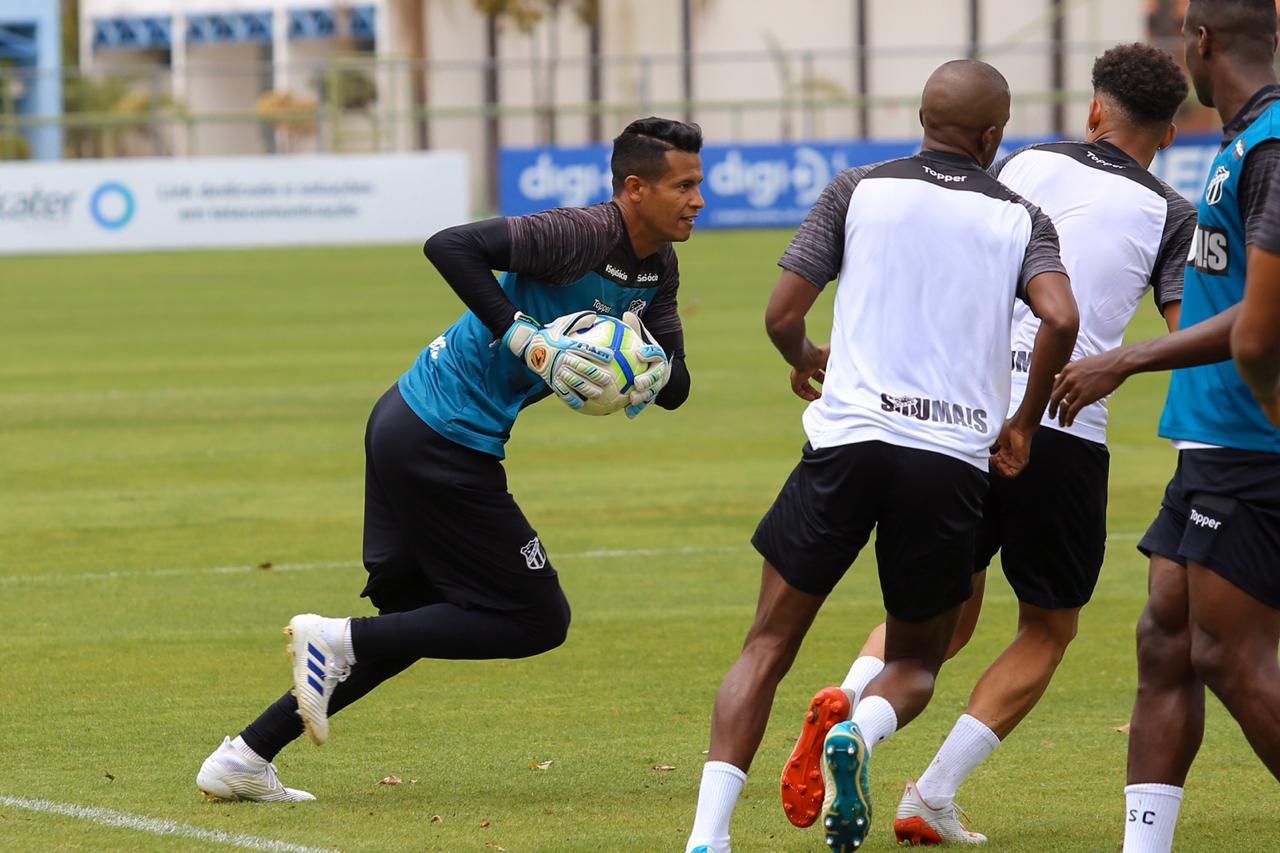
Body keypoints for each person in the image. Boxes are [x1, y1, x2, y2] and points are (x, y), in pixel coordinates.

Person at [194, 116, 704, 802]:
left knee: (411, 620)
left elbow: (678, 385)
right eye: (685, 185)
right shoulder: (580, 233)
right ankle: (332, 637)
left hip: (414, 424)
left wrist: (640, 368)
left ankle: (245, 755)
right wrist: (526, 338)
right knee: (537, 618)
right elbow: (450, 245)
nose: (699, 199)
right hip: (440, 434)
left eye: (700, 183)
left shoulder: (658, 269)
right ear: (636, 188)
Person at [779, 43, 1196, 846]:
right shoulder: (1172, 213)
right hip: (1063, 423)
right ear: (1171, 135)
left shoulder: (1023, 162)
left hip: (960, 416)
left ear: (1094, 111)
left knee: (936, 616)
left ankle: (852, 714)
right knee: (1048, 626)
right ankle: (924, 790)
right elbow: (1179, 333)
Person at [683, 60, 1077, 853]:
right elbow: (1061, 317)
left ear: (920, 117)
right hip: (947, 462)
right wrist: (1025, 420)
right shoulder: (1022, 216)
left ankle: (707, 837)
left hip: (846, 442)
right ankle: (857, 736)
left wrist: (804, 355)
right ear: (994, 135)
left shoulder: (855, 187)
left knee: (766, 645)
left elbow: (781, 313)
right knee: (916, 662)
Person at [1050, 3, 1280, 851]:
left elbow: (1263, 319)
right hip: (1212, 439)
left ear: (1203, 42)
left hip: (1254, 442)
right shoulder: (1245, 140)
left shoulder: (1273, 144)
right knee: (1167, 642)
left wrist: (1126, 358)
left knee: (1228, 654)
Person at [1232, 205, 1280, 427]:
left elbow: (1254, 343)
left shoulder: (1264, 169)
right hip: (1212, 416)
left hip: (1240, 420)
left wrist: (1130, 360)